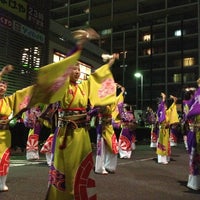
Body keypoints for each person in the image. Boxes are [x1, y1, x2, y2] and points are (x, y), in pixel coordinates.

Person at [44, 30, 118, 199]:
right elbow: (61, 69)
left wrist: (111, 62)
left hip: (82, 134)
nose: (76, 71)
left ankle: (80, 195)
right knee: (66, 167)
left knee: (82, 166)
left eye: (78, 69)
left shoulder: (84, 86)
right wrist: (79, 44)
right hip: (66, 134)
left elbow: (98, 77)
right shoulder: (63, 86)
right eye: (73, 69)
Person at [91, 83, 124, 174]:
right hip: (101, 127)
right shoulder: (100, 100)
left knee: (113, 147)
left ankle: (110, 166)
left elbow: (119, 105)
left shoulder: (112, 101)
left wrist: (121, 92)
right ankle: (99, 168)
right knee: (101, 148)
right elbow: (92, 111)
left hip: (109, 127)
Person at [185, 78, 200, 190]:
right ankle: (195, 182)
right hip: (195, 133)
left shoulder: (190, 104)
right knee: (195, 157)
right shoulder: (191, 103)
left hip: (194, 132)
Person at [156, 93, 179, 164]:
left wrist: (174, 101)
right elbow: (160, 108)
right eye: (164, 105)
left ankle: (165, 158)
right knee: (163, 144)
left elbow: (172, 108)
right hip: (162, 130)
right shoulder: (160, 112)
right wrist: (163, 98)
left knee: (166, 144)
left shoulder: (167, 112)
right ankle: (162, 159)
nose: (165, 106)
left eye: (165, 105)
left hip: (166, 131)